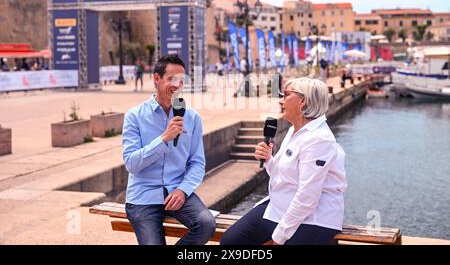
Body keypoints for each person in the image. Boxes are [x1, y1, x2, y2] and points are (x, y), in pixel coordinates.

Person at [221, 77, 347, 245]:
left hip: (314, 219)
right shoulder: (295, 129)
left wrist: (279, 236)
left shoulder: (319, 139)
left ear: (302, 101)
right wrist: (269, 160)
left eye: (286, 95)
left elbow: (308, 196)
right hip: (280, 207)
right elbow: (284, 175)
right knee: (231, 241)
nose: (281, 100)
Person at [122, 54, 216, 245]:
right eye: (172, 79)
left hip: (177, 191)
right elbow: (131, 164)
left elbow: (197, 163)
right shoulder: (134, 116)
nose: (177, 86)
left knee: (206, 224)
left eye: (181, 81)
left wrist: (183, 190)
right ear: (157, 78)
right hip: (143, 196)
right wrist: (164, 139)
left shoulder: (192, 117)